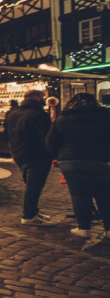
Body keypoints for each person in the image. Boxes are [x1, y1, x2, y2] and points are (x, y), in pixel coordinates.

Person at [45, 93, 110, 239]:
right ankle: (109, 228)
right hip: (99, 160)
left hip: (70, 161)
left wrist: (60, 156)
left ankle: (84, 228)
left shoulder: (61, 119)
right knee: (105, 195)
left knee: (80, 195)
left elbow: (50, 143)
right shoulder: (105, 117)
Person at [5, 89, 55, 227]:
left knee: (31, 185)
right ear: (38, 98)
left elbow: (6, 134)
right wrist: (52, 154)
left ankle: (33, 211)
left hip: (19, 154)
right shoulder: (39, 115)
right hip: (37, 155)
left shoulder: (12, 114)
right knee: (34, 187)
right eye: (43, 97)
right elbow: (46, 138)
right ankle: (29, 215)